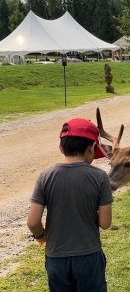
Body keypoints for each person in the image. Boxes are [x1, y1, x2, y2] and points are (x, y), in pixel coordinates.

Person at [27, 118, 113, 292]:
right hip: (89, 256)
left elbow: (33, 222)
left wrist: (40, 236)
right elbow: (105, 223)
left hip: (56, 258)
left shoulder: (45, 176)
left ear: (61, 148)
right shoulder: (100, 177)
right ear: (91, 148)